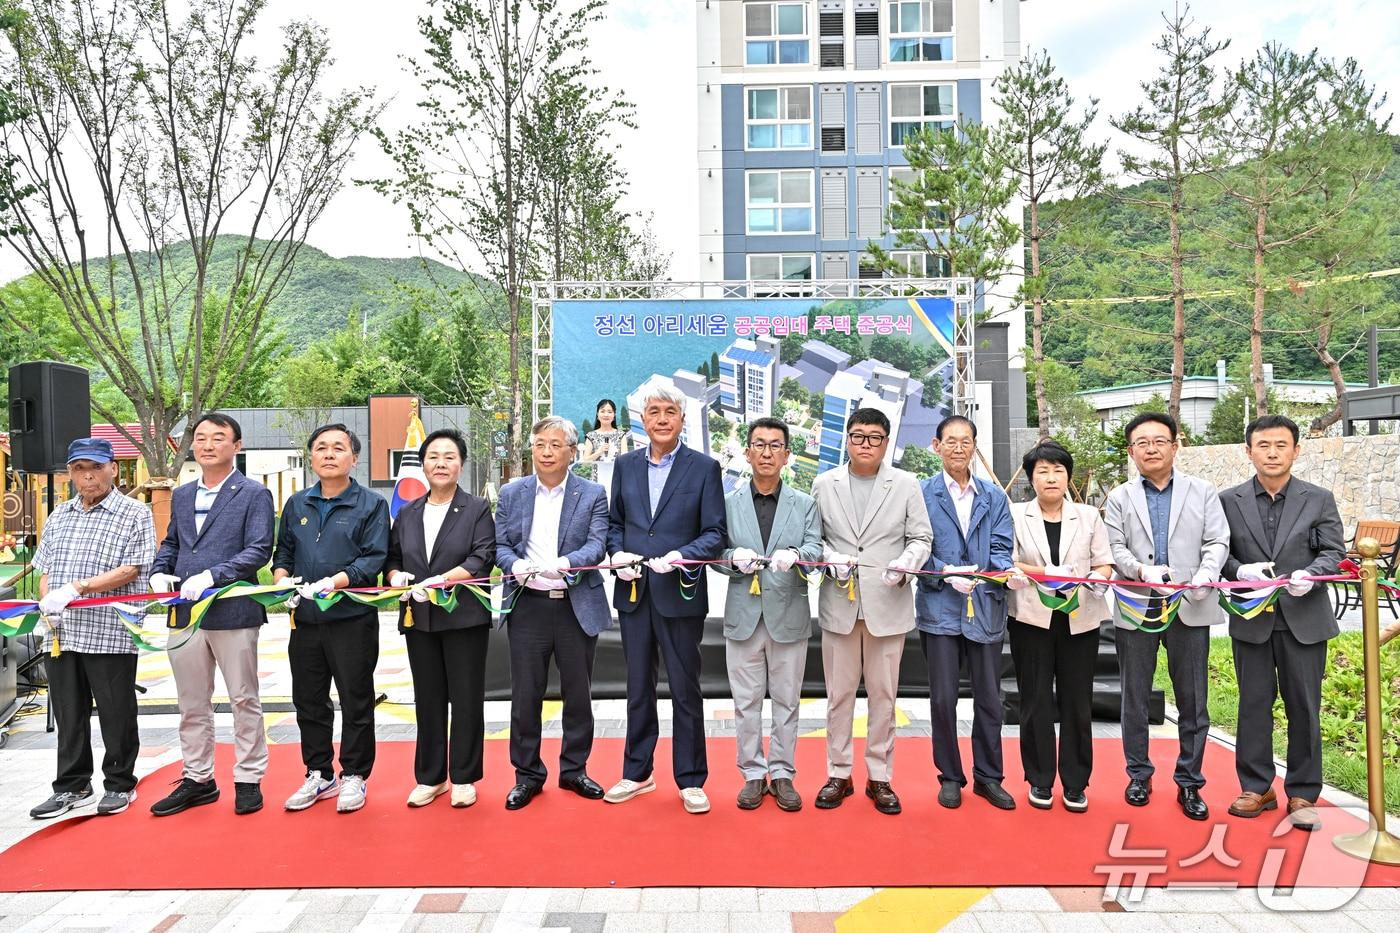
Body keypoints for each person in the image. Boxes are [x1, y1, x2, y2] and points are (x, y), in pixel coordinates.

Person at [604, 383, 726, 814]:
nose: (661, 419)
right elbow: (615, 522)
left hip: (680, 592)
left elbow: (715, 533)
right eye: (653, 411)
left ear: (682, 418)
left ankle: (691, 779)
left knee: (685, 688)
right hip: (634, 591)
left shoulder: (704, 468)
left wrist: (682, 555)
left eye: (669, 411)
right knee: (637, 686)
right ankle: (637, 773)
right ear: (642, 417)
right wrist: (616, 553)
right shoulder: (625, 465)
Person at [147, 412, 276, 817]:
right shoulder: (182, 495)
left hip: (233, 609)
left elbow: (258, 549)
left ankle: (248, 777)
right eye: (200, 438)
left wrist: (212, 575)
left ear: (236, 446)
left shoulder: (253, 493)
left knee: (243, 697)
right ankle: (198, 777)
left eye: (218, 438)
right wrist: (158, 571)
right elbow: (173, 543)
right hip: (185, 612)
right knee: (190, 701)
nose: (207, 444)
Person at [1220, 415, 1344, 832]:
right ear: (1249, 450)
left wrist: (1312, 574)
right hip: (1252, 617)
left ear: (1295, 449)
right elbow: (1219, 554)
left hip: (1304, 618)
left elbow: (1334, 552)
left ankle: (1304, 792)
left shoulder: (1318, 498)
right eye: (1263, 445)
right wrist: (1240, 571)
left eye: (1280, 445)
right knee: (1253, 704)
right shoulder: (1228, 500)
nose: (1272, 453)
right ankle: (1256, 787)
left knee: (1303, 707)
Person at [1104, 412, 1229, 821]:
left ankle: (1190, 781)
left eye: (1160, 440)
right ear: (1131, 451)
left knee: (1193, 699)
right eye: (1142, 442)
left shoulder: (1203, 491)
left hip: (1189, 604)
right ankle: (1138, 774)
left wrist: (1207, 574)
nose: (1151, 448)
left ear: (1176, 446)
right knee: (1134, 696)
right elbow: (1115, 546)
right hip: (1138, 603)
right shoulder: (1119, 497)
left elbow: (1216, 540)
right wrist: (1140, 570)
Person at [810, 407, 931, 815]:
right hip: (840, 602)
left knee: (883, 696)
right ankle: (838, 773)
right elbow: (813, 538)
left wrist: (907, 563)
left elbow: (921, 537)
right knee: (838, 696)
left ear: (886, 442)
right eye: (858, 436)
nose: (865, 444)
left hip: (887, 601)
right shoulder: (824, 483)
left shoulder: (907, 483)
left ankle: (880, 776)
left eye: (874, 437)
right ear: (846, 439)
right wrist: (831, 557)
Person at [28, 438, 156, 819]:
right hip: (61, 633)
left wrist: (78, 588)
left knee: (116, 710)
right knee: (69, 711)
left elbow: (131, 568)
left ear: (113, 469)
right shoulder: (59, 514)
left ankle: (119, 783)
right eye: (80, 469)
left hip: (110, 629)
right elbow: (46, 569)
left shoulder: (134, 513)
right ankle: (72, 785)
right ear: (69, 473)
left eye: (96, 468)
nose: (89, 476)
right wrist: (49, 599)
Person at [272, 424, 389, 814]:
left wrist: (336, 581)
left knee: (356, 698)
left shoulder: (371, 504)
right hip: (304, 620)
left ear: (353, 458)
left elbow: (373, 559)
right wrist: (282, 582)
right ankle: (319, 772)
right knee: (308, 699)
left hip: (350, 618)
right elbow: (283, 553)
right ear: (311, 458)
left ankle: (355, 773)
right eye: (320, 448)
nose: (328, 454)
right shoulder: (296, 504)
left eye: (338, 448)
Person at [495, 416, 611, 810]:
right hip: (528, 606)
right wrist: (513, 566)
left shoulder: (593, 493)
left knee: (578, 695)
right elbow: (500, 546)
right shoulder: (513, 493)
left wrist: (565, 562)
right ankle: (527, 775)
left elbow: (597, 546)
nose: (546, 452)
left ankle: (574, 769)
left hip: (574, 605)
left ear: (572, 452)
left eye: (555, 444)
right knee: (525, 696)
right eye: (540, 444)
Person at [386, 428, 496, 809]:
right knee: (427, 699)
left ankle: (464, 777)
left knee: (465, 699)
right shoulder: (409, 511)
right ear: (423, 463)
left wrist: (444, 579)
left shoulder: (476, 509)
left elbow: (482, 557)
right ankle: (431, 777)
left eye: (449, 457)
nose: (440, 464)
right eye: (433, 456)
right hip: (420, 618)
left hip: (463, 617)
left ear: (461, 465)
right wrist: (396, 577)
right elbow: (393, 557)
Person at [717, 417, 822, 812]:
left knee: (787, 701)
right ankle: (751, 774)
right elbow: (716, 551)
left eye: (775, 445)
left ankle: (782, 774)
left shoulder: (805, 503)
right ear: (747, 452)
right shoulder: (727, 504)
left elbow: (815, 549)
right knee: (745, 703)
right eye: (758, 445)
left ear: (787, 455)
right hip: (743, 616)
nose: (766, 452)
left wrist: (796, 556)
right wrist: (732, 559)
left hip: (789, 615)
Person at [1007, 439, 1114, 813]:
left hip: (1079, 620)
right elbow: (1008, 561)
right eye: (1042, 471)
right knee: (1034, 700)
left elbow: (1104, 564)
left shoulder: (1088, 516)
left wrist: (1099, 577)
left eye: (1058, 470)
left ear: (1068, 476)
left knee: (1076, 700)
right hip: (1031, 619)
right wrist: (1046, 573)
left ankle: (1075, 781)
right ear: (1031, 478)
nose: (1051, 478)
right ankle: (1039, 778)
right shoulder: (1016, 514)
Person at [916, 415, 1016, 811]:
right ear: (936, 446)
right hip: (940, 608)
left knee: (990, 698)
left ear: (975, 445)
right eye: (950, 441)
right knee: (942, 699)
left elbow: (1002, 548)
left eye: (966, 441)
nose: (959, 447)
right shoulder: (921, 494)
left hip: (985, 608)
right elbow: (917, 547)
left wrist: (988, 573)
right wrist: (945, 572)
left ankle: (989, 777)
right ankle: (950, 776)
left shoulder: (994, 497)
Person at [581, 399, 629, 463]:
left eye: (609, 412)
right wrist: (599, 451)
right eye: (602, 411)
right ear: (597, 414)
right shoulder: (591, 436)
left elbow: (625, 459)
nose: (606, 415)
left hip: (616, 471)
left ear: (614, 415)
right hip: (597, 471)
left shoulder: (621, 435)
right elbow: (585, 460)